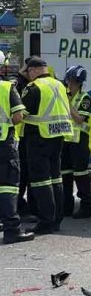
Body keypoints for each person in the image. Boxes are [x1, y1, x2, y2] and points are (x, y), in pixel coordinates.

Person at [21, 57, 73, 234]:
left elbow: (22, 114)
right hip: (58, 136)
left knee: (41, 181)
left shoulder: (33, 88)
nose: (28, 75)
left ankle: (46, 221)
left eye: (28, 72)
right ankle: (57, 218)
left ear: (34, 70)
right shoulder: (59, 84)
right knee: (56, 179)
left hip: (39, 137)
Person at [0, 51, 35, 244]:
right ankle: (11, 229)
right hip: (4, 144)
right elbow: (18, 116)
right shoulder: (7, 88)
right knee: (8, 187)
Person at [61, 65, 91, 218]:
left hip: (79, 141)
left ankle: (86, 206)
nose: (69, 84)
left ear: (78, 82)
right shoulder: (66, 94)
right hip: (66, 140)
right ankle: (66, 206)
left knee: (80, 174)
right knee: (65, 174)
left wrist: (67, 104)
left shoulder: (85, 98)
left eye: (72, 81)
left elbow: (80, 119)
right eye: (68, 81)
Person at [14, 57, 36, 220]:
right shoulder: (18, 84)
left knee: (25, 173)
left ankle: (22, 205)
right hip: (18, 135)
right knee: (20, 174)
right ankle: (19, 206)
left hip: (23, 135)